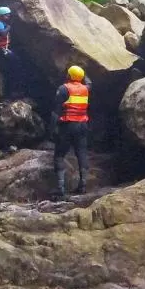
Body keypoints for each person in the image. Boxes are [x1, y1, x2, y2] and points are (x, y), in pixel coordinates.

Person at [49, 66, 92, 198]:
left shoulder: (63, 89)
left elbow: (56, 111)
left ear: (69, 76)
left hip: (67, 126)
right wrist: (83, 73)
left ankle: (61, 188)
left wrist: (52, 128)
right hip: (82, 126)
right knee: (81, 153)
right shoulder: (86, 89)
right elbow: (90, 82)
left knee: (59, 155)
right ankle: (83, 185)